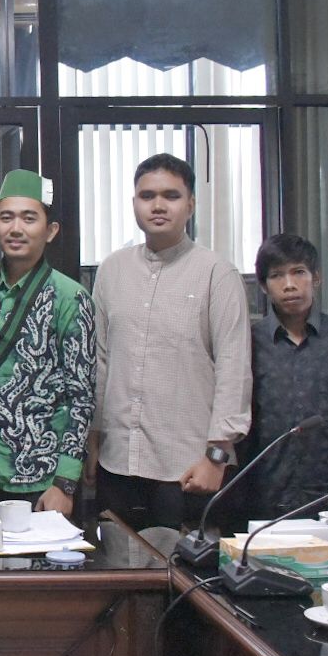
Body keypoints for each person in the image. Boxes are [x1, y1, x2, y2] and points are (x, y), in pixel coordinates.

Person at [91, 153, 251, 530]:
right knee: (116, 562)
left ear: (190, 204)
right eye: (147, 196)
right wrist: (93, 440)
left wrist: (216, 457)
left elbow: (234, 370)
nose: (158, 205)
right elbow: (100, 361)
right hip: (117, 463)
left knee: (180, 567)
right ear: (134, 203)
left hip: (188, 468)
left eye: (171, 196)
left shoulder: (217, 274)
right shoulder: (112, 270)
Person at [0, 170, 96, 516]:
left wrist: (65, 482)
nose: (16, 228)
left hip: (40, 479)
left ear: (50, 231)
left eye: (29, 218)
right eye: (7, 218)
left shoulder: (70, 298)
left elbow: (82, 397)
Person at [244, 233, 328, 516]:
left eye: (299, 272)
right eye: (277, 276)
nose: (289, 284)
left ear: (316, 278)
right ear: (264, 286)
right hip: (261, 499)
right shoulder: (248, 342)